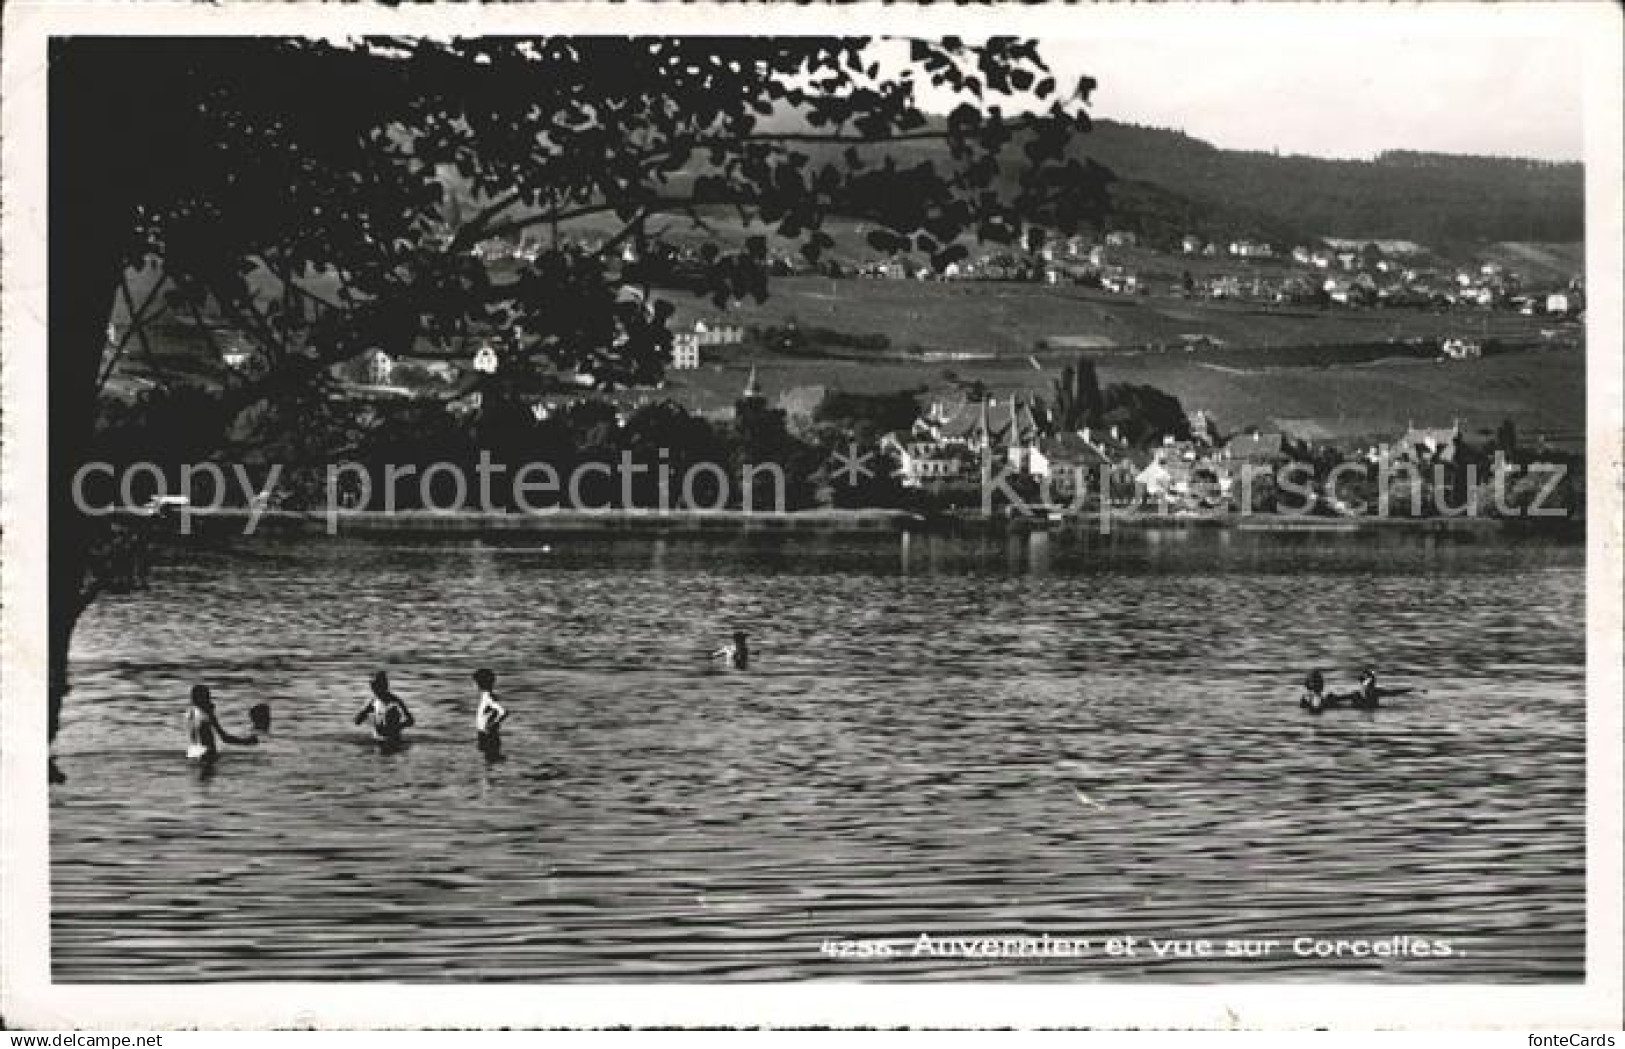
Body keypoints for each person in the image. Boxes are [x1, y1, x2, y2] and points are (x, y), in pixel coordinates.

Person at [186, 685, 258, 762]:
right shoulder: (206, 714)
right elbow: (224, 738)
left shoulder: (191, 713)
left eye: (209, 698)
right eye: (207, 698)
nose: (210, 701)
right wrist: (246, 741)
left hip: (194, 755)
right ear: (198, 700)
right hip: (208, 755)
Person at [355, 671, 415, 747]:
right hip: (377, 740)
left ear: (385, 686)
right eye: (372, 686)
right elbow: (357, 721)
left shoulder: (395, 701)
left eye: (376, 685)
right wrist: (362, 716)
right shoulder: (374, 702)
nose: (373, 689)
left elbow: (411, 720)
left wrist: (396, 727)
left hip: (393, 740)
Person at [473, 668, 509, 759]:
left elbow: (503, 712)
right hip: (486, 733)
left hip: (488, 734)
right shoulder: (486, 696)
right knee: (490, 759)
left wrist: (493, 724)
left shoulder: (488, 697)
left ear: (479, 684)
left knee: (491, 758)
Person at [1350, 669, 1415, 710]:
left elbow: (1393, 693)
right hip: (1372, 710)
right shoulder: (1357, 694)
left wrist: (1411, 689)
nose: (1373, 684)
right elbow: (1393, 693)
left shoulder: (1356, 694)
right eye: (1372, 682)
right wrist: (1411, 689)